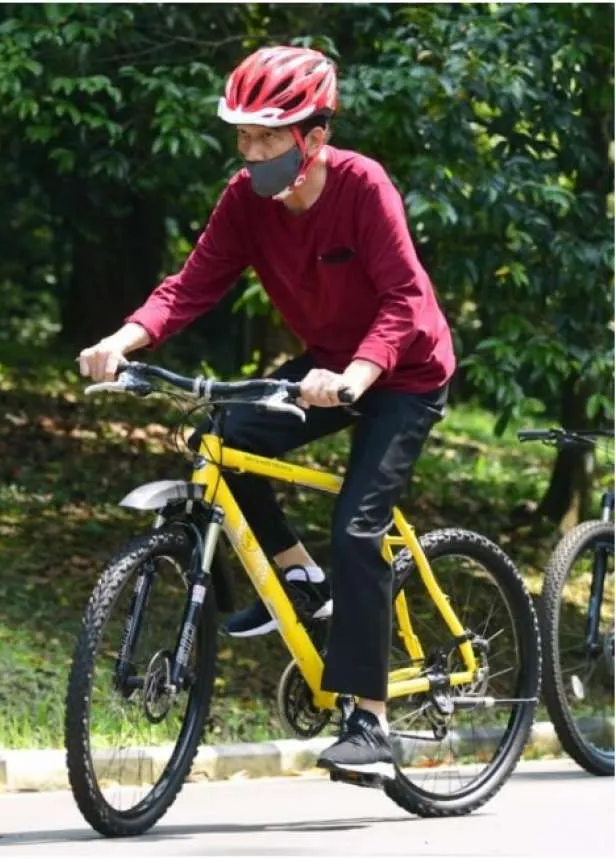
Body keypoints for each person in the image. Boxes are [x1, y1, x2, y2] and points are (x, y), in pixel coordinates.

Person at [76, 45, 456, 781]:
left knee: (358, 524)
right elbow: (191, 284)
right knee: (219, 436)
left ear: (313, 137)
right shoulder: (247, 200)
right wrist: (120, 341)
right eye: (243, 136)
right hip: (325, 367)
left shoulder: (362, 186)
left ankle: (370, 722)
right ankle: (301, 579)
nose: (251, 152)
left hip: (404, 371)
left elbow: (406, 300)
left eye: (267, 138)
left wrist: (356, 373)